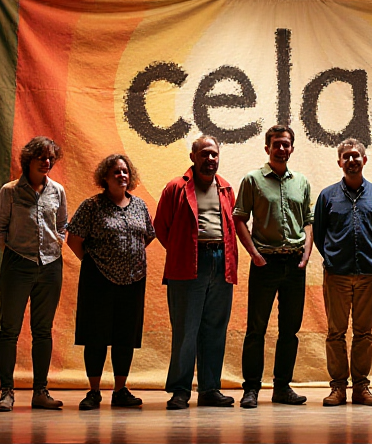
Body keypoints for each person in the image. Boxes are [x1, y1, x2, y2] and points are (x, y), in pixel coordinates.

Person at [155, 136, 239, 410]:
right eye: (204, 153)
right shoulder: (176, 188)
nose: (210, 158)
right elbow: (161, 227)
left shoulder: (226, 188)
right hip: (189, 264)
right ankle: (180, 390)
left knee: (215, 329)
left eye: (214, 154)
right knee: (185, 330)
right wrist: (183, 250)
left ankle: (209, 389)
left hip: (221, 262)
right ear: (193, 157)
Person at [234, 125, 314, 408]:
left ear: (292, 148)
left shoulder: (301, 182)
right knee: (256, 329)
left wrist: (306, 254)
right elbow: (239, 219)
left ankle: (282, 387)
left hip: (294, 264)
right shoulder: (252, 180)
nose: (282, 149)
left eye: (286, 144)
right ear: (267, 147)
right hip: (264, 262)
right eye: (276, 144)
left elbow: (308, 220)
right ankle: (251, 389)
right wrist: (254, 254)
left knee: (289, 330)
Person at [66, 154, 154, 410]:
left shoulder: (139, 205)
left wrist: (128, 258)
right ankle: (93, 392)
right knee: (96, 336)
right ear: (104, 177)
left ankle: (120, 390)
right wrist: (97, 262)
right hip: (98, 280)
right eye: (115, 171)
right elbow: (74, 239)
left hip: (134, 280)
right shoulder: (92, 206)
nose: (122, 175)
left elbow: (148, 235)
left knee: (125, 337)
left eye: (125, 171)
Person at [0, 136, 68, 412]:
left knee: (43, 330)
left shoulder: (57, 191)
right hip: (17, 266)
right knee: (9, 330)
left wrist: (55, 245)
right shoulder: (9, 191)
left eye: (50, 158)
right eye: (41, 157)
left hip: (51, 267)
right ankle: (7, 392)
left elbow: (62, 226)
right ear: (28, 160)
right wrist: (14, 254)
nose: (46, 162)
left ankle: (40, 392)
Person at [314, 138, 372, 407]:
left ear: (364, 160)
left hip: (369, 274)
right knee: (336, 332)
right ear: (339, 162)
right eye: (346, 156)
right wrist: (334, 258)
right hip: (336, 274)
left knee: (364, 333)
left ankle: (361, 388)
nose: (351, 160)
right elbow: (319, 234)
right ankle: (338, 388)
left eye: (355, 156)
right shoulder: (327, 196)